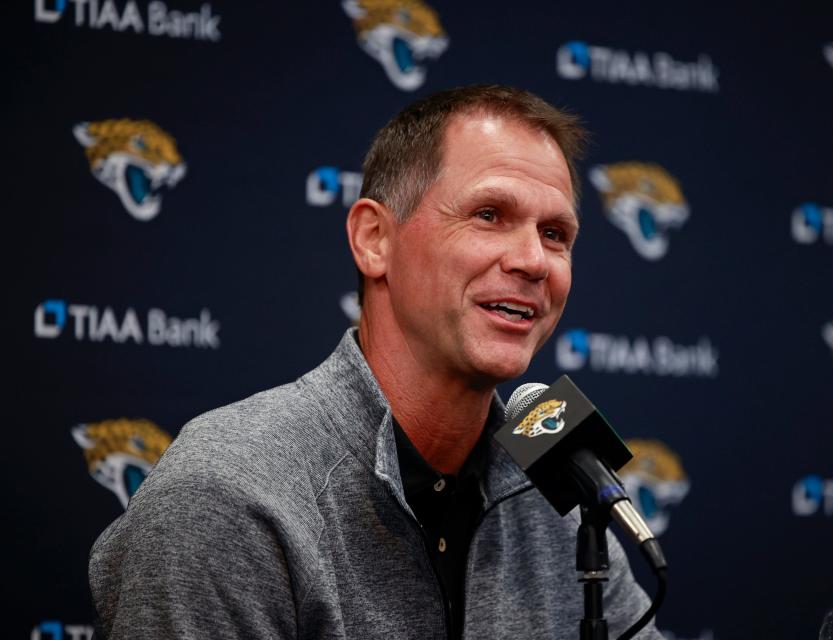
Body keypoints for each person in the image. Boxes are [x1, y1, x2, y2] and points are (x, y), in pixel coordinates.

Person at [89, 84, 664, 640]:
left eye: (555, 233)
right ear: (373, 240)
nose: (533, 260)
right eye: (489, 214)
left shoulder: (563, 493)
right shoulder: (228, 494)